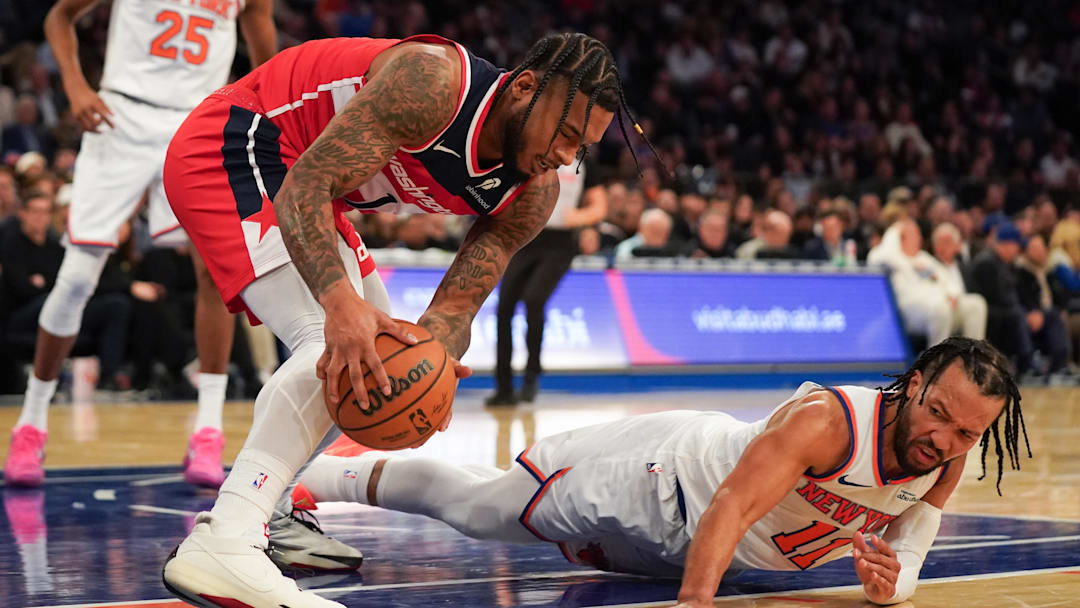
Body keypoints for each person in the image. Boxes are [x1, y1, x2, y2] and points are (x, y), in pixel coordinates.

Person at [160, 32, 649, 607]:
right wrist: (339, 304)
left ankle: (277, 511)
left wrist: (433, 360)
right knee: (336, 344)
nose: (567, 156)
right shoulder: (432, 82)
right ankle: (228, 537)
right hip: (239, 139)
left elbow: (455, 308)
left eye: (582, 148)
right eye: (566, 134)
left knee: (379, 359)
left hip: (307, 182)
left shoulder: (532, 192)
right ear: (523, 88)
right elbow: (306, 188)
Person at [294, 338, 1028, 607]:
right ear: (915, 384)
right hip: (660, 477)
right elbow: (732, 506)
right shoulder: (829, 423)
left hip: (695, 550)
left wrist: (888, 586)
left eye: (967, 432)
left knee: (499, 509)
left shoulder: (948, 455)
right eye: (940, 415)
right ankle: (315, 477)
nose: (945, 440)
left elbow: (906, 560)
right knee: (481, 513)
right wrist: (695, 604)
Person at [3, 0, 276, 491]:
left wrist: (266, 120)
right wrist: (76, 85)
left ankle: (208, 431)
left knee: (215, 271)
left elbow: (267, 61)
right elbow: (59, 16)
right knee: (77, 277)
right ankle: (31, 424)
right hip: (120, 114)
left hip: (198, 119)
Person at [488, 161, 607, 405]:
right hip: (525, 237)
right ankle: (503, 387)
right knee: (504, 307)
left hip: (559, 244)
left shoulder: (585, 162)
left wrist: (580, 218)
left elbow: (599, 206)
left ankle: (532, 374)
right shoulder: (534, 153)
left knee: (534, 300)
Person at [870, 219, 986, 346]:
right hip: (912, 311)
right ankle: (937, 356)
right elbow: (876, 257)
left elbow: (946, 278)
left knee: (976, 304)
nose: (919, 238)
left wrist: (953, 294)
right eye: (914, 235)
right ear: (900, 238)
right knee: (941, 308)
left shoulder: (924, 258)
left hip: (942, 304)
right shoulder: (891, 259)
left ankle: (972, 353)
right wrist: (895, 231)